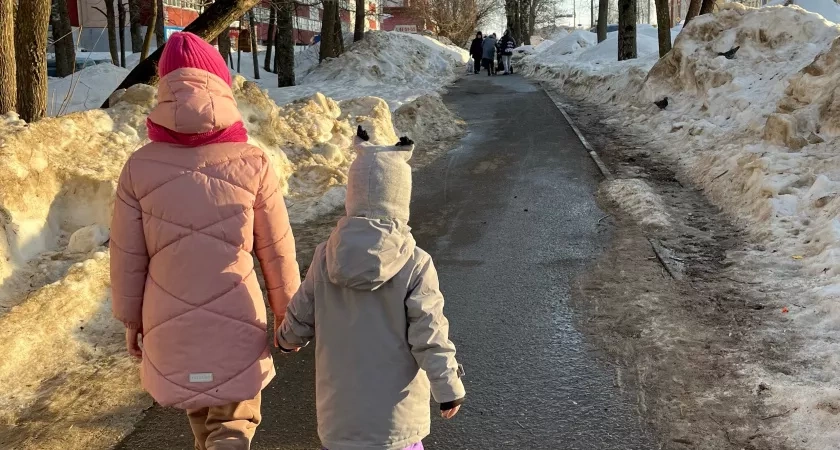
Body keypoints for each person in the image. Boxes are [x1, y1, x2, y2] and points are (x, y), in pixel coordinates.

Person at [110, 31, 301, 450]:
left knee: (202, 421)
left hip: (168, 323)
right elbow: (277, 248)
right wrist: (291, 313)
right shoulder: (251, 162)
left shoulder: (139, 167)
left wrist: (131, 321)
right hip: (238, 317)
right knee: (234, 424)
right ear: (220, 86)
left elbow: (126, 256)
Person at [278, 127, 466, 450]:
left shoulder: (325, 256)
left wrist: (287, 339)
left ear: (352, 194)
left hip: (341, 425)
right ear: (401, 197)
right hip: (397, 425)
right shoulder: (415, 263)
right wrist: (448, 388)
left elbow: (302, 309)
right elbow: (430, 333)